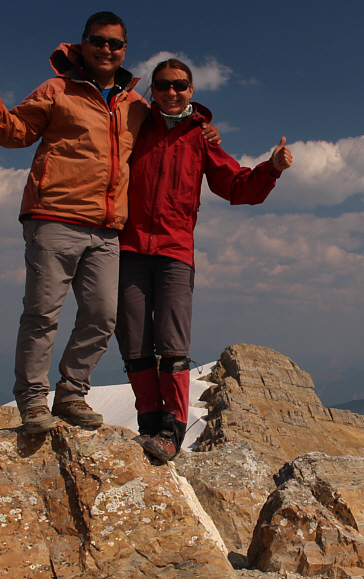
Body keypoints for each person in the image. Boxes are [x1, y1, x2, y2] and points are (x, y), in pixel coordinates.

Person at [0, 12, 218, 434]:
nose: (107, 49)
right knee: (42, 314)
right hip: (54, 215)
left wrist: (204, 128)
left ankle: (71, 393)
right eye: (98, 41)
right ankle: (34, 402)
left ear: (125, 49)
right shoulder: (57, 89)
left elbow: (170, 122)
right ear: (83, 44)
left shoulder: (136, 104)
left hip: (108, 228)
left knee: (103, 316)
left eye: (115, 43)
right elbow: (15, 132)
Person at [116, 58, 294, 461]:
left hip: (175, 250)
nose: (171, 92)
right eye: (163, 85)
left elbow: (234, 185)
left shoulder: (200, 138)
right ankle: (150, 425)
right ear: (153, 90)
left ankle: (171, 432)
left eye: (179, 85)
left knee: (173, 344)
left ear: (191, 91)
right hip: (127, 247)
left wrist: (272, 169)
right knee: (133, 342)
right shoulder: (136, 127)